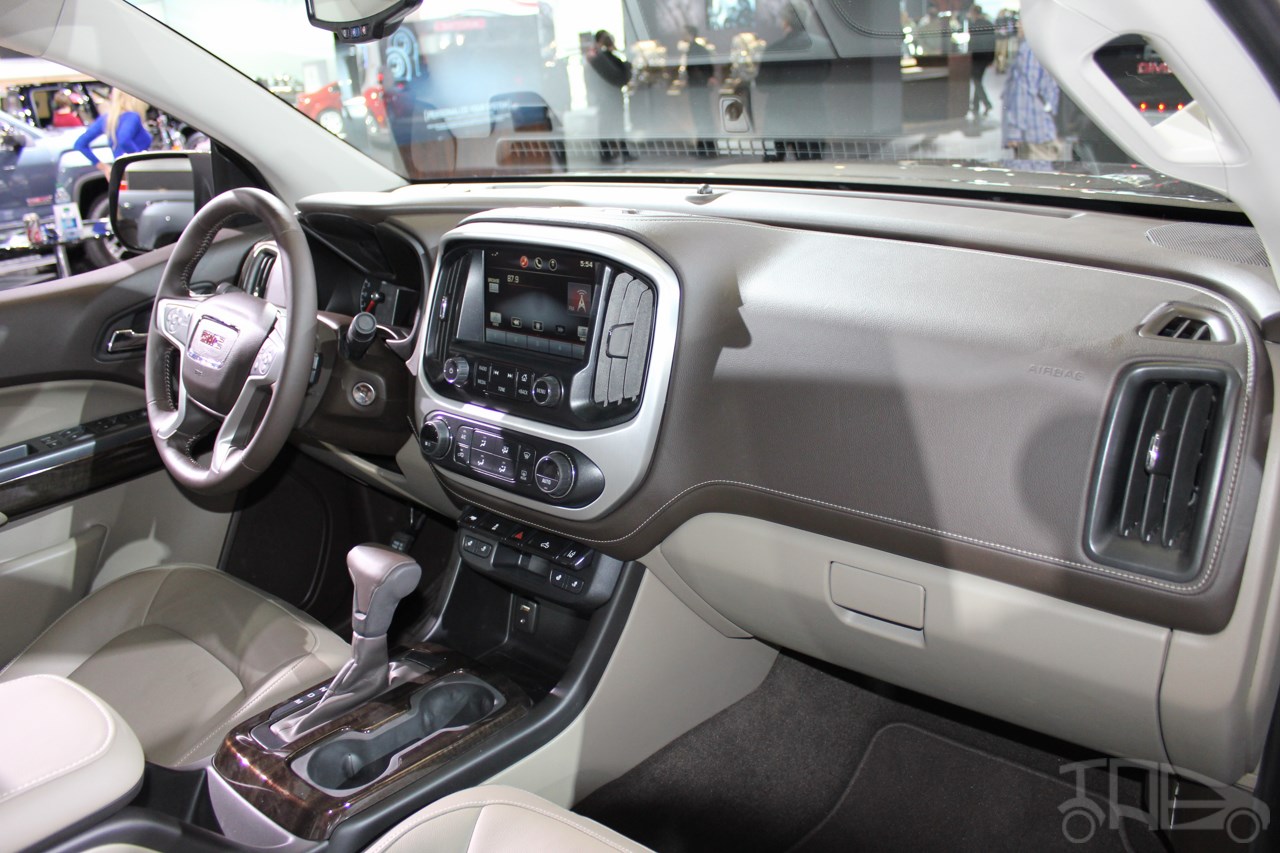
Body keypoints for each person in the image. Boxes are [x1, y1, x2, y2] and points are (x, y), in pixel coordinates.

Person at [1001, 28, 1063, 162]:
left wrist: (1014, 132)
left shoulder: (1029, 50)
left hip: (1032, 130)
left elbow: (1024, 92)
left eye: (1021, 21)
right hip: (1043, 126)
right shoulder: (1044, 46)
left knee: (1035, 178)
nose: (1018, 25)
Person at [73, 88, 151, 176]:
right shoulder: (132, 117)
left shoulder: (108, 119)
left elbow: (80, 143)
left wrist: (103, 167)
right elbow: (124, 139)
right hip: (137, 172)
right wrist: (139, 160)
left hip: (119, 172)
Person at [585, 30, 632, 163]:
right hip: (611, 98)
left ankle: (608, 153)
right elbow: (624, 75)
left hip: (607, 98)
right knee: (613, 125)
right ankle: (617, 152)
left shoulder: (598, 58)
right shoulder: (607, 58)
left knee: (607, 126)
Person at [683, 25, 716, 157]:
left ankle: (705, 147)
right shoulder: (697, 49)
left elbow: (701, 68)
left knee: (702, 116)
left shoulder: (695, 49)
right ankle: (705, 146)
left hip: (698, 88)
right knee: (702, 116)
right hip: (699, 87)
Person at [967, 4, 996, 116]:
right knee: (977, 80)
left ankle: (986, 103)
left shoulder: (974, 26)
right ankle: (976, 106)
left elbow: (973, 43)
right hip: (986, 57)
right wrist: (991, 58)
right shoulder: (988, 24)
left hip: (977, 58)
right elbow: (993, 42)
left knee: (976, 81)